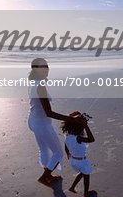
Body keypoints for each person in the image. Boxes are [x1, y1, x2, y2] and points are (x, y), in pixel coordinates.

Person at [27, 57, 83, 187]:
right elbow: (49, 112)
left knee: (44, 149)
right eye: (42, 67)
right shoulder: (39, 86)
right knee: (58, 152)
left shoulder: (34, 83)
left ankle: (48, 174)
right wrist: (71, 119)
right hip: (42, 124)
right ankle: (45, 176)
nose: (46, 69)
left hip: (33, 120)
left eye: (46, 66)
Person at [61, 114, 96, 197]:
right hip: (81, 161)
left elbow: (66, 147)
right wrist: (86, 126)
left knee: (82, 173)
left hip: (72, 160)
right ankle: (86, 193)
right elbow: (91, 139)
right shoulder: (78, 138)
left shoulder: (67, 135)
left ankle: (72, 187)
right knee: (86, 176)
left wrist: (68, 155)